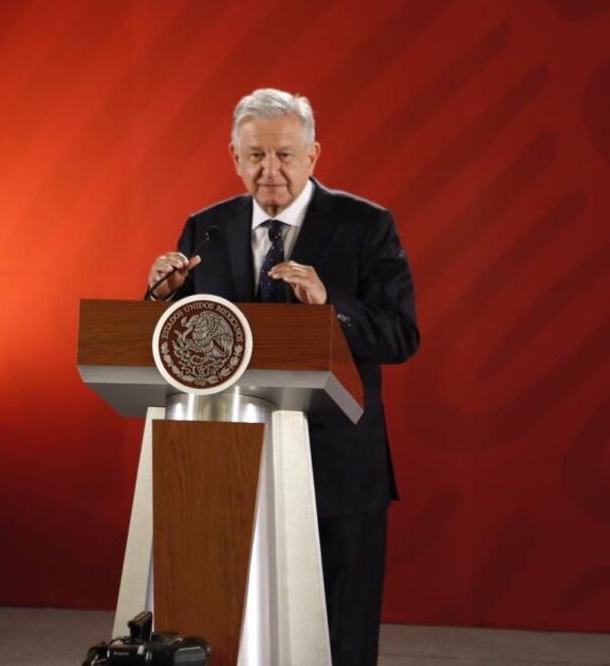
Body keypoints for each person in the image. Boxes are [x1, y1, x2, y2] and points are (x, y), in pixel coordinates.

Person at [146, 88, 418, 666]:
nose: (270, 170)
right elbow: (185, 344)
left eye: (286, 155)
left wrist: (329, 305)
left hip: (337, 466)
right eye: (255, 156)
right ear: (234, 157)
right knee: (228, 626)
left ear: (314, 155)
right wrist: (160, 300)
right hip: (226, 464)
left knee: (339, 637)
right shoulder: (206, 228)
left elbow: (401, 335)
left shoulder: (367, 225)